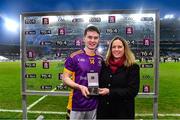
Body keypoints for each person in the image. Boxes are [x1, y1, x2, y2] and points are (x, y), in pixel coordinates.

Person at [62, 25, 103, 120]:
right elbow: (65, 79)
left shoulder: (100, 59)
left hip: (94, 106)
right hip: (76, 106)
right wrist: (80, 87)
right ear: (84, 39)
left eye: (95, 38)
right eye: (89, 37)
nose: (92, 40)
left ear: (98, 40)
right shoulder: (74, 57)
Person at [97, 36, 140, 119]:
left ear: (125, 49)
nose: (116, 49)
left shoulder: (133, 67)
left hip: (123, 113)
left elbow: (132, 91)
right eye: (114, 47)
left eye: (119, 47)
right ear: (110, 49)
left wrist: (109, 91)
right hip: (104, 112)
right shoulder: (103, 65)